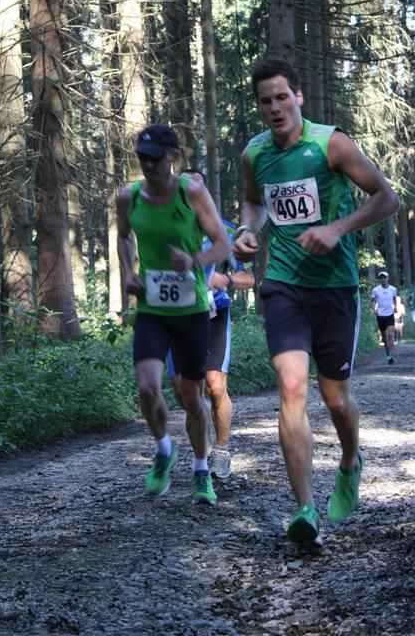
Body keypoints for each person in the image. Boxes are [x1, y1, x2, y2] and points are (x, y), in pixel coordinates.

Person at [234, 57, 399, 548]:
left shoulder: (330, 144)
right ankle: (305, 508)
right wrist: (246, 229)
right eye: (265, 101)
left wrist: (336, 228)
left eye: (282, 97)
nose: (275, 107)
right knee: (291, 387)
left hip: (335, 287)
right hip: (284, 284)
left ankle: (350, 459)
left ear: (298, 96)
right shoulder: (254, 153)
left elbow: (386, 198)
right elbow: (254, 202)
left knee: (336, 399)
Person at [116, 124, 231, 505]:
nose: (148, 165)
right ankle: (164, 449)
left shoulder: (191, 192)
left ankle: (201, 469)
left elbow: (222, 243)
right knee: (148, 387)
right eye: (142, 158)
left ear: (173, 157)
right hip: (152, 308)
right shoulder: (128, 197)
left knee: (192, 397)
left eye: (155, 158)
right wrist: (128, 271)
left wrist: (194, 260)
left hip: (191, 309)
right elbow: (123, 236)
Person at [166, 170, 255, 480]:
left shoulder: (224, 229)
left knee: (216, 386)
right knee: (184, 393)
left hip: (214, 314)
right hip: (177, 316)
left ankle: (220, 452)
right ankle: (200, 450)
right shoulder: (165, 226)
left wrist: (225, 279)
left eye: (197, 188)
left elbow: (248, 278)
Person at [370, 272, 397, 362]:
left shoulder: (393, 289)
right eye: (381, 278)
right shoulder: (376, 290)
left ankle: (391, 356)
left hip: (390, 314)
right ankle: (388, 353)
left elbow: (394, 299)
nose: (383, 279)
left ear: (388, 278)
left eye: (384, 277)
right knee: (384, 336)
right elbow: (372, 301)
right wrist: (374, 310)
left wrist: (395, 307)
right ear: (379, 280)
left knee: (391, 334)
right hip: (381, 315)